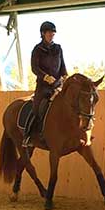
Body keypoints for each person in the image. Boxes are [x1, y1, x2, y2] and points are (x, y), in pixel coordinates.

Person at [21, 20, 68, 148]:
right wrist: (45, 77)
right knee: (37, 108)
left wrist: (65, 75)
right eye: (49, 33)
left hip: (58, 85)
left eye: (53, 33)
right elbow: (34, 67)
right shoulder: (37, 49)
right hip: (43, 86)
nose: (52, 35)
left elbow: (62, 65)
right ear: (43, 34)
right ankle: (29, 135)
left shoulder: (58, 48)